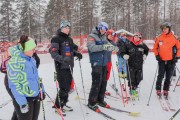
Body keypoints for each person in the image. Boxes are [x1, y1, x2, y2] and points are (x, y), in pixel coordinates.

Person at [0, 38, 41, 120]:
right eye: (32, 49)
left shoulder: (31, 59)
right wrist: (22, 103)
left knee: (34, 118)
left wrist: (41, 89)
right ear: (25, 49)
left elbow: (36, 77)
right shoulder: (14, 62)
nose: (34, 51)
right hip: (24, 96)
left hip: (34, 94)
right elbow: (15, 85)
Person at [49, 20, 82, 111]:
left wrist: (76, 54)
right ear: (61, 28)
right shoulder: (56, 38)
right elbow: (54, 53)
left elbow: (70, 52)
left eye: (68, 28)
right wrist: (63, 59)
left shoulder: (69, 39)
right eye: (65, 28)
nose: (67, 30)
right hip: (61, 66)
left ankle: (63, 103)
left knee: (67, 87)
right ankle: (58, 106)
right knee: (63, 87)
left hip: (69, 66)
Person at [87, 22, 117, 112]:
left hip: (104, 63)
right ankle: (91, 102)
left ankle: (100, 99)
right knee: (96, 83)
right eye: (102, 28)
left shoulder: (104, 36)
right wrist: (103, 46)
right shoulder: (92, 36)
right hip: (96, 62)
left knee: (103, 82)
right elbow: (92, 48)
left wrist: (114, 48)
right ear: (99, 28)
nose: (103, 30)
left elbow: (109, 45)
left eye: (105, 29)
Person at [153, 22, 180, 97]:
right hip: (161, 60)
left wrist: (176, 57)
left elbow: (179, 48)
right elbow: (155, 48)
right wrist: (157, 56)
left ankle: (166, 90)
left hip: (171, 61)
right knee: (160, 75)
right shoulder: (159, 37)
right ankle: (158, 89)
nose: (164, 30)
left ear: (169, 29)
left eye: (166, 28)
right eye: (163, 29)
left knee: (168, 76)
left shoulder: (174, 38)